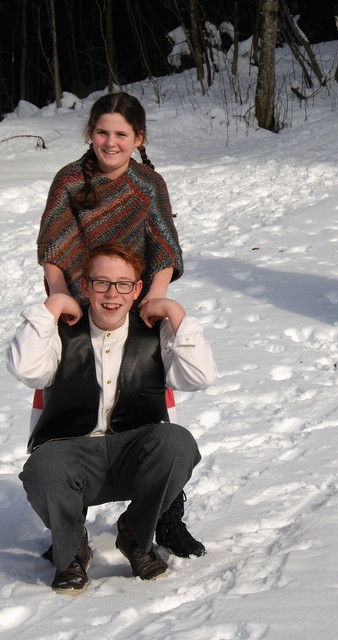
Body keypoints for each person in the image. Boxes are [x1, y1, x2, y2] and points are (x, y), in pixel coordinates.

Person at [35, 91, 201, 557]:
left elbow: (164, 247)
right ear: (90, 133)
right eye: (102, 132)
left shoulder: (148, 184)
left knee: (151, 408)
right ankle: (68, 524)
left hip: (136, 303)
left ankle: (164, 516)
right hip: (80, 306)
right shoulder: (70, 179)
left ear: (138, 138)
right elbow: (53, 246)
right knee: (71, 404)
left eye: (122, 134)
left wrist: (156, 300)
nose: (111, 142)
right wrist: (60, 300)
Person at [7, 242, 217, 595]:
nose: (112, 293)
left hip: (133, 455)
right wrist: (54, 304)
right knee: (43, 466)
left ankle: (135, 535)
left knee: (177, 442)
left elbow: (200, 377)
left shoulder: (156, 330)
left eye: (123, 284)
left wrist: (174, 310)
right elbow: (24, 368)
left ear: (137, 290)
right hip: (74, 457)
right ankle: (72, 549)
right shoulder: (60, 331)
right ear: (85, 287)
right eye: (101, 282)